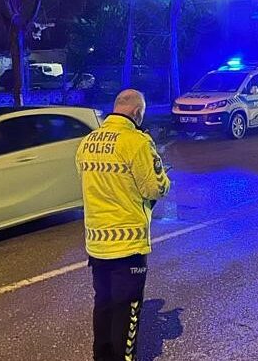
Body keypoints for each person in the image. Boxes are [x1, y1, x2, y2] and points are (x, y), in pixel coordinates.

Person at [76, 89, 171, 361]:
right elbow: (154, 188)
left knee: (103, 305)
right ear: (137, 113)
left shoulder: (87, 142)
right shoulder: (137, 142)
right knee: (127, 311)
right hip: (127, 245)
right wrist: (165, 180)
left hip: (96, 244)